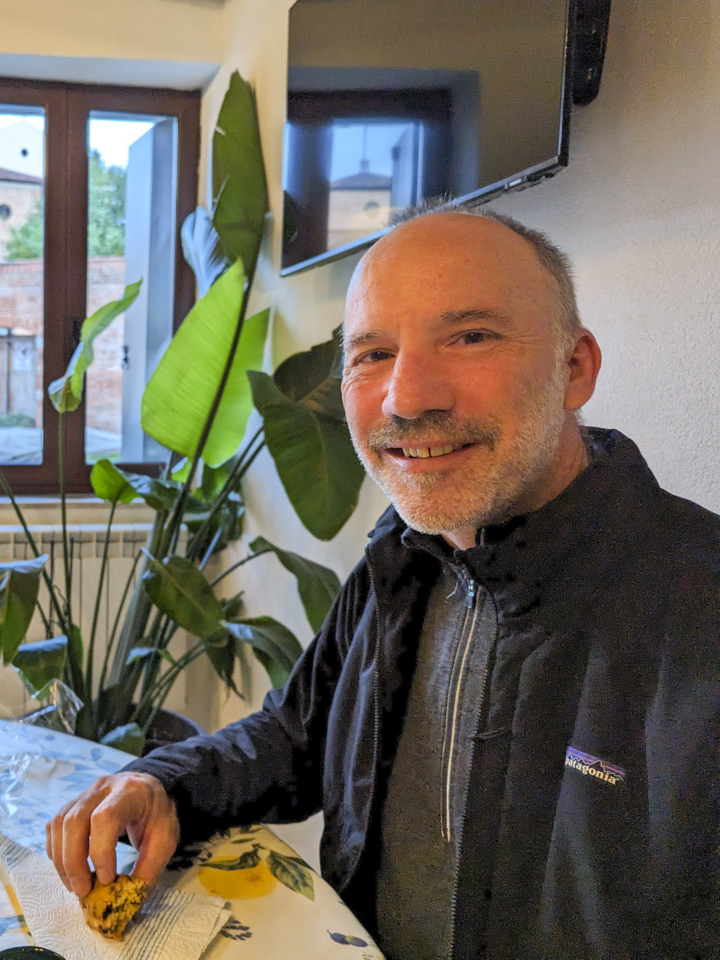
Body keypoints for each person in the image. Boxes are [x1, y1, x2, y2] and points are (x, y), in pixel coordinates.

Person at [46, 206, 720, 959]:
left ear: (574, 367)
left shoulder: (695, 605)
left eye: (470, 336)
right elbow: (297, 737)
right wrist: (165, 783)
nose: (406, 398)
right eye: (370, 354)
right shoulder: (401, 560)